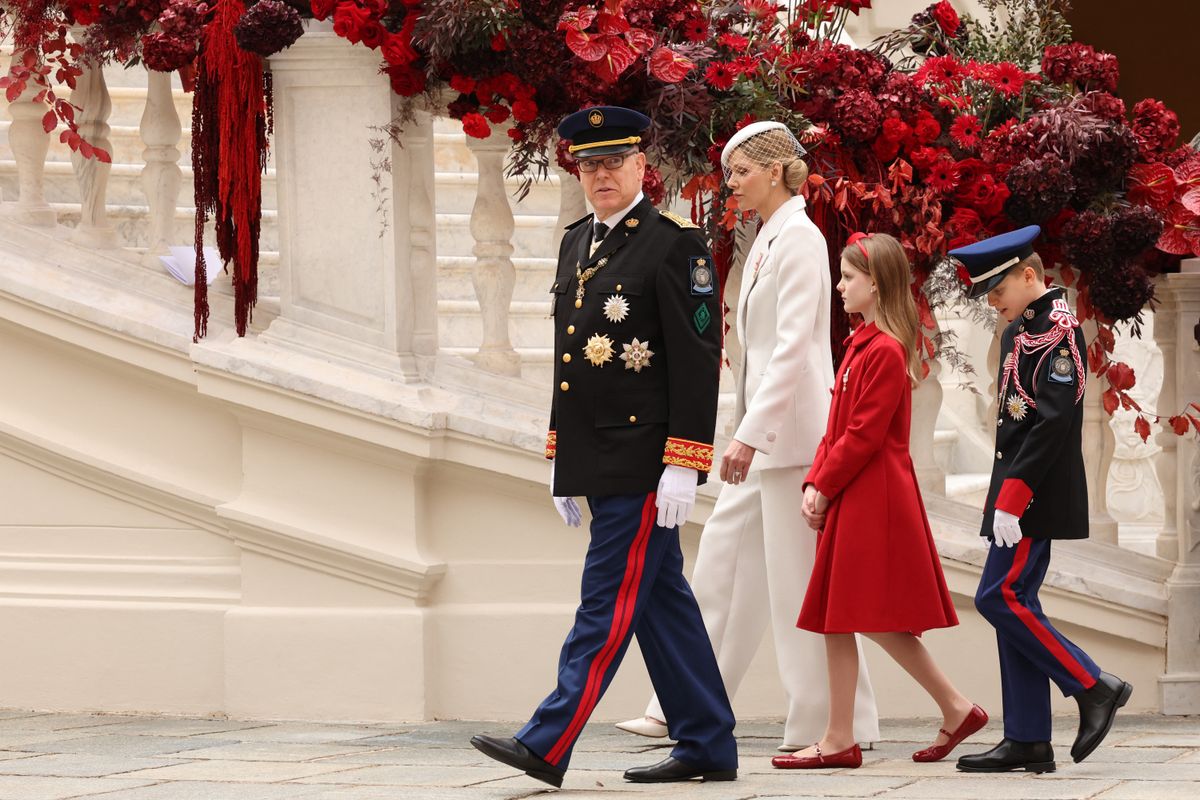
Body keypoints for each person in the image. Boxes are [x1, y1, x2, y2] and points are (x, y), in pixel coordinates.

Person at [469, 106, 738, 787]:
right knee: (658, 603)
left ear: (642, 166)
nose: (601, 176)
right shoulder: (576, 242)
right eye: (589, 165)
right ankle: (707, 741)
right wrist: (561, 454)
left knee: (607, 600)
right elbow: (571, 362)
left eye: (613, 162)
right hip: (599, 458)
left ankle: (547, 740)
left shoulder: (675, 244)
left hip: (646, 461)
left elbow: (696, 358)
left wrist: (684, 461)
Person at [616, 121, 880, 751]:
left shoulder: (802, 238)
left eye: (740, 171)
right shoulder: (770, 236)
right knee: (719, 565)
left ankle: (831, 721)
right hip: (762, 436)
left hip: (787, 439)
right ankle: (684, 703)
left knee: (797, 581)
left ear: (776, 170)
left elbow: (794, 348)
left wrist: (750, 435)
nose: (730, 182)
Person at [773, 232, 986, 770]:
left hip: (873, 496)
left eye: (848, 277)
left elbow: (864, 435)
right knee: (842, 614)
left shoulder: (885, 351)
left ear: (876, 283)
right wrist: (814, 483)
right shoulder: (863, 344)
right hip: (855, 491)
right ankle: (869, 728)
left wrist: (824, 485)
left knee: (850, 613)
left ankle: (854, 733)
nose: (840, 286)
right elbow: (835, 430)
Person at [951, 226, 1132, 774]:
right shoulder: (1020, 327)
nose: (991, 300)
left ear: (1029, 275)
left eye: (996, 287)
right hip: (1014, 491)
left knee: (999, 598)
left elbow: (1053, 423)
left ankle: (1091, 683)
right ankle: (1028, 737)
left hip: (1033, 493)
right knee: (1015, 603)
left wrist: (1013, 497)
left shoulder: (1058, 329)